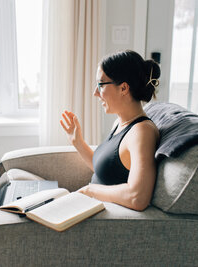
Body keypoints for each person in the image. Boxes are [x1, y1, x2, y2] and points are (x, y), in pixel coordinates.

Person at [60, 50, 160, 211]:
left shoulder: (141, 132)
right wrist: (77, 142)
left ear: (123, 88)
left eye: (101, 84)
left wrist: (90, 191)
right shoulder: (120, 123)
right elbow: (107, 171)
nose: (95, 93)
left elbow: (138, 197)